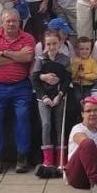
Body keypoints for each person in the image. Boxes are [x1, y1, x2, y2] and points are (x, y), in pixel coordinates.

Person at [0, 8, 35, 174]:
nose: (12, 24)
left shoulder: (28, 37)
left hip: (21, 86)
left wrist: (5, 53)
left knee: (22, 115)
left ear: (20, 22)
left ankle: (22, 157)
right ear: (2, 22)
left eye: (15, 21)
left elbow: (27, 58)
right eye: (8, 21)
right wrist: (16, 55)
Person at [32, 28, 72, 177]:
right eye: (48, 44)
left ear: (60, 43)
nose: (51, 47)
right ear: (44, 44)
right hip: (43, 98)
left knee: (59, 125)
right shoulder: (40, 60)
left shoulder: (64, 59)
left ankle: (61, 159)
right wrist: (44, 97)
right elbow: (35, 80)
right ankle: (48, 159)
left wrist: (60, 95)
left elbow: (67, 80)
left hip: (59, 97)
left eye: (54, 43)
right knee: (46, 124)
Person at [71, 35, 97, 109]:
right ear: (77, 50)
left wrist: (85, 76)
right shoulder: (74, 60)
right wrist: (75, 67)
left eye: (87, 49)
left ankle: (85, 111)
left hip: (88, 86)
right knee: (77, 98)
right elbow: (72, 76)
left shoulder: (92, 62)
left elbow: (95, 75)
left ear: (90, 49)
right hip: (77, 85)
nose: (84, 51)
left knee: (87, 99)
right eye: (81, 49)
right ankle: (79, 114)